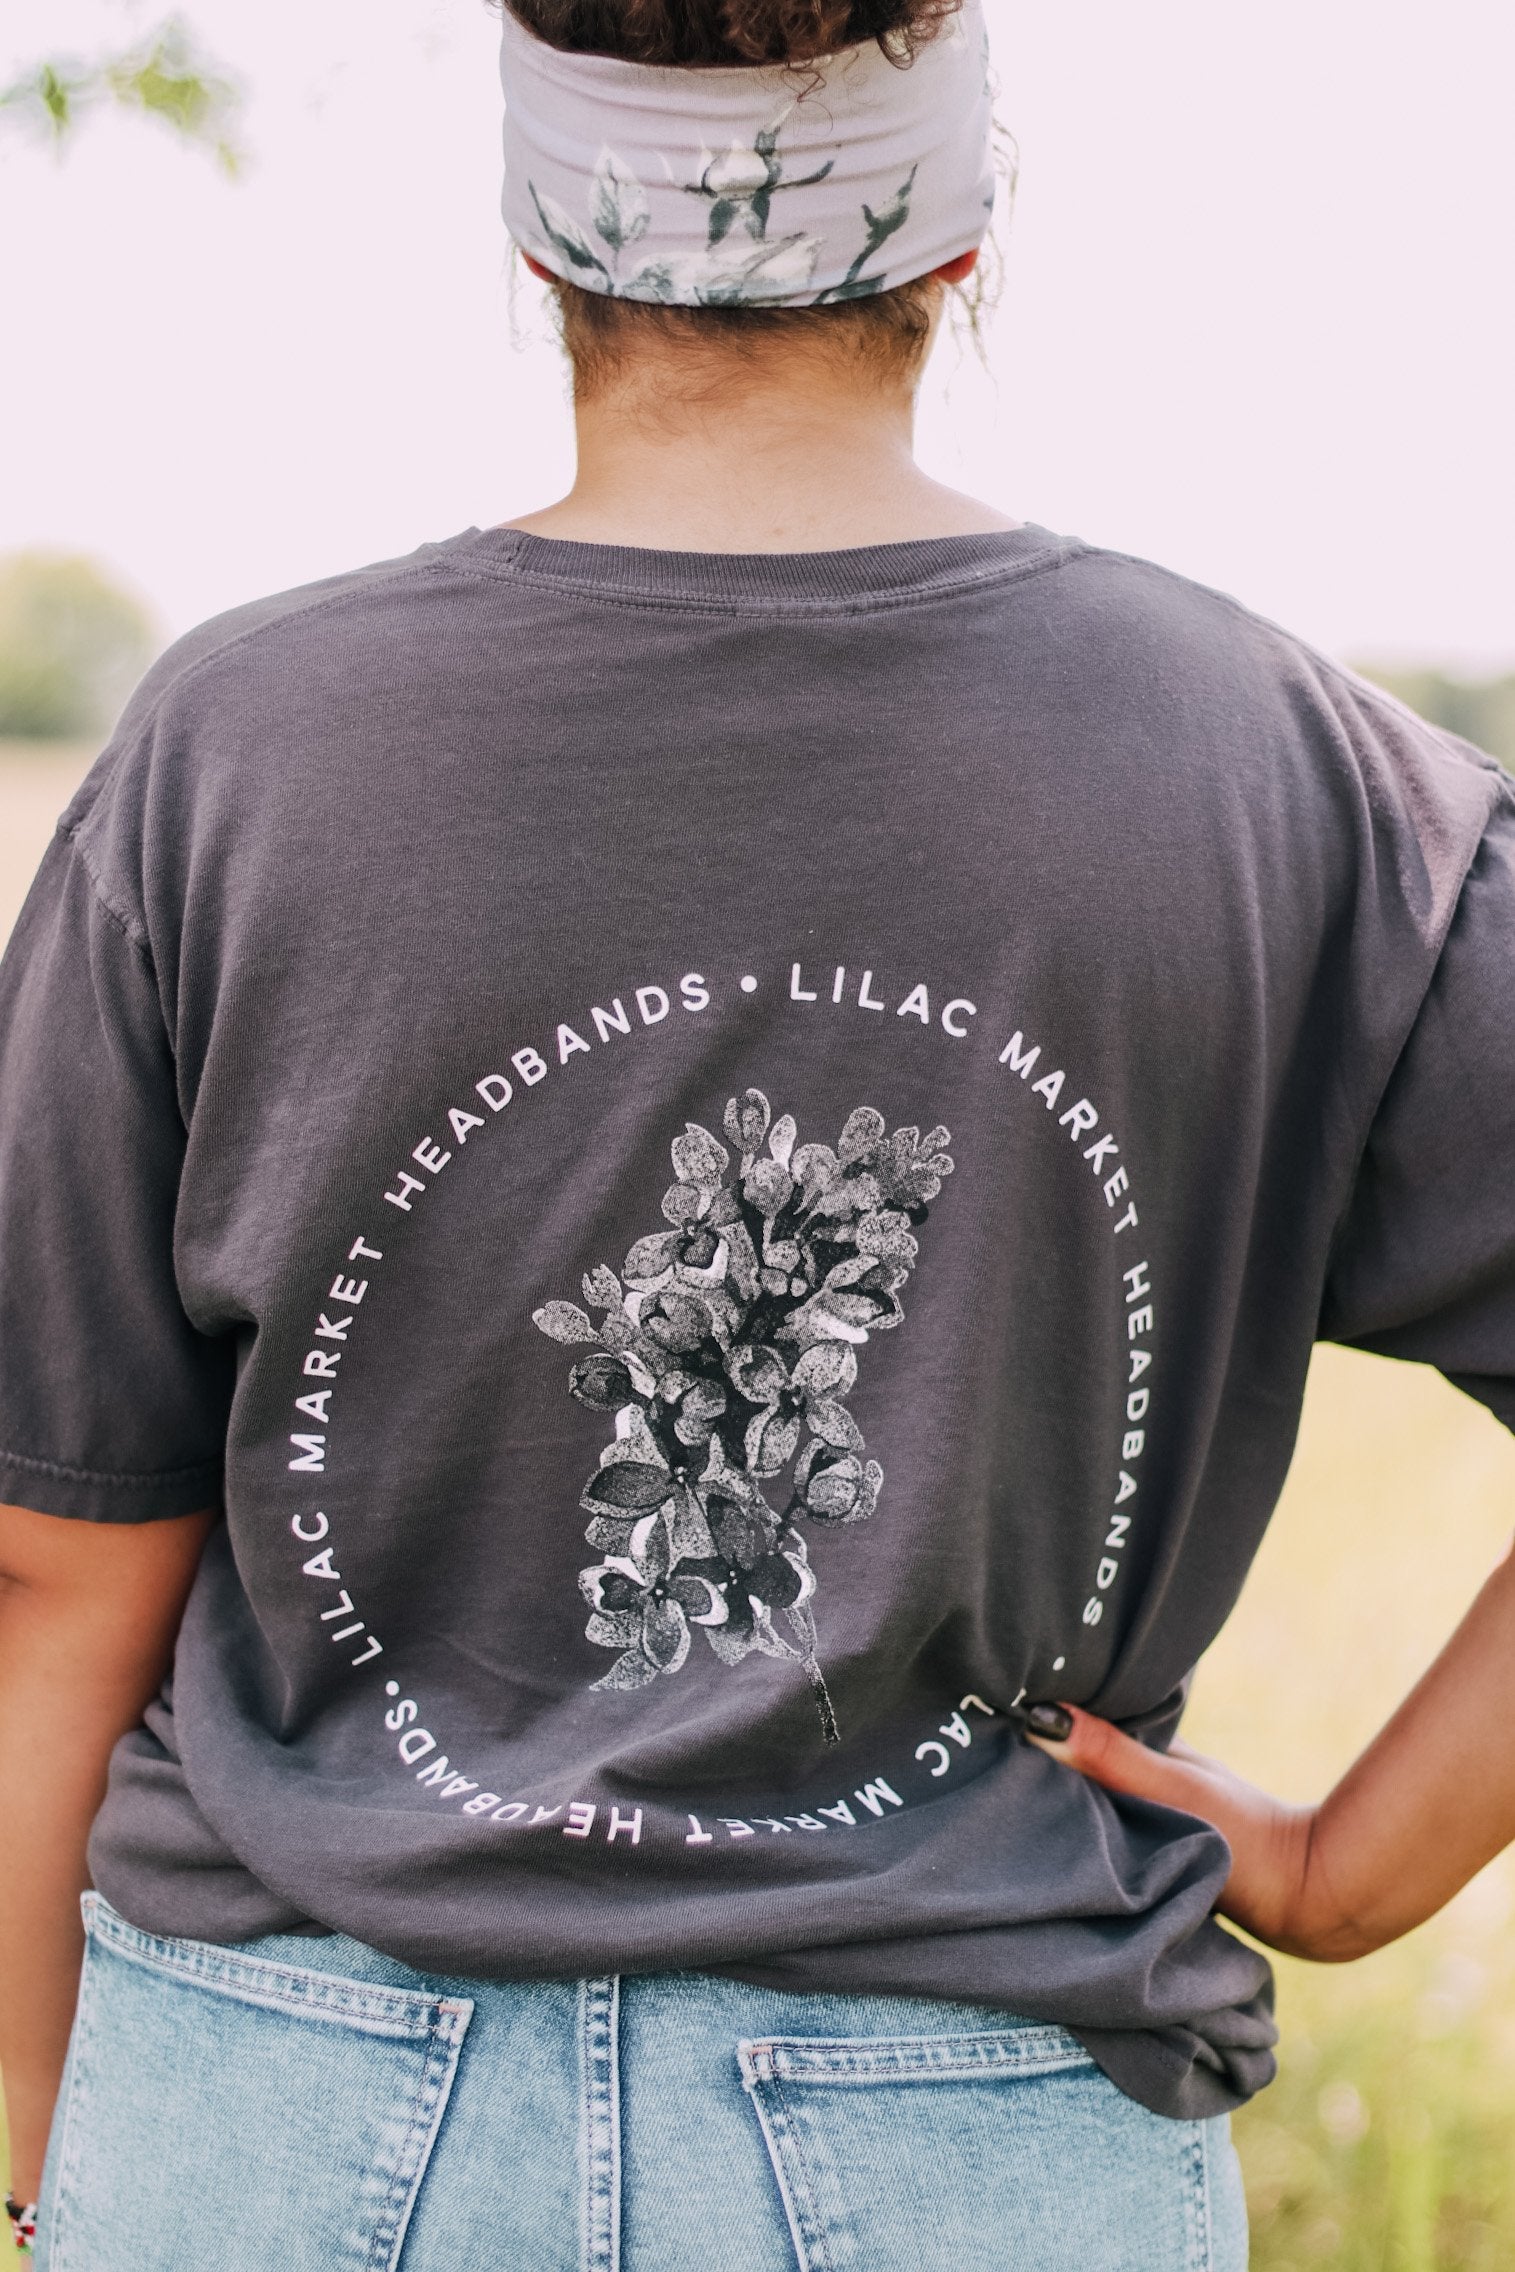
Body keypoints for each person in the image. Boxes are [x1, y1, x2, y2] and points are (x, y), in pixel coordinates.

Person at [2, 0, 1514, 2263]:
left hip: (278, 2106)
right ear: (964, 239)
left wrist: (54, 2141)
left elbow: (57, 1567)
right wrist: (1345, 1868)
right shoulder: (1287, 774)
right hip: (975, 2129)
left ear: (534, 240)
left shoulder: (227, 753)